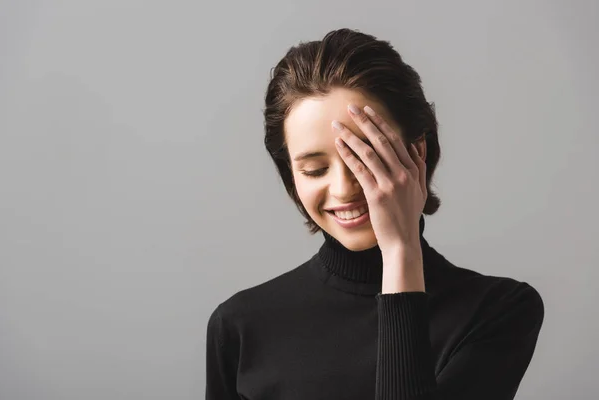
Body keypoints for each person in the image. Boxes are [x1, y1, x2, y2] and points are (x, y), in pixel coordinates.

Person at [205, 28, 544, 400]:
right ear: (290, 176)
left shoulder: (498, 310)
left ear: (418, 153)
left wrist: (400, 250)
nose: (344, 189)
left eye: (368, 158)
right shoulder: (240, 324)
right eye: (315, 170)